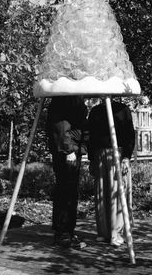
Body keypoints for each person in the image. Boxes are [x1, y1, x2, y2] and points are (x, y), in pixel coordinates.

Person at [88, 98, 135, 247]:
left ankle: (117, 232)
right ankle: (103, 232)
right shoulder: (95, 111)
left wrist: (126, 157)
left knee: (117, 191)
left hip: (117, 154)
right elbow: (91, 137)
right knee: (102, 192)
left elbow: (129, 134)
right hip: (100, 155)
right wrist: (92, 159)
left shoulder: (122, 110)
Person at [46, 95, 88, 249]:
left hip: (73, 150)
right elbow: (61, 126)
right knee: (65, 190)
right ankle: (62, 234)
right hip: (66, 152)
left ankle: (68, 232)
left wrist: (81, 149)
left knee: (71, 191)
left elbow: (80, 124)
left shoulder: (75, 96)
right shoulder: (64, 97)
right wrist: (68, 150)